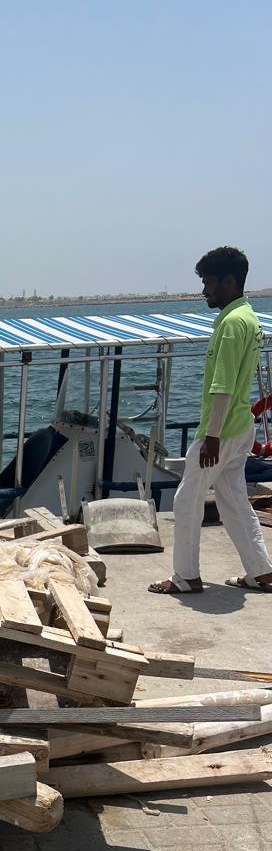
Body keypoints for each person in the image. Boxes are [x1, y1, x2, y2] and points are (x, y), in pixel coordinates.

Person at [149, 246, 272, 595]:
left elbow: (223, 385)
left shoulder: (231, 325)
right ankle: (261, 571)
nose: (204, 290)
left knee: (187, 500)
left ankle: (186, 576)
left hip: (221, 430)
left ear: (228, 281)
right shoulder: (249, 318)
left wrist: (212, 437)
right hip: (240, 426)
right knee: (233, 500)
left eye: (208, 282)